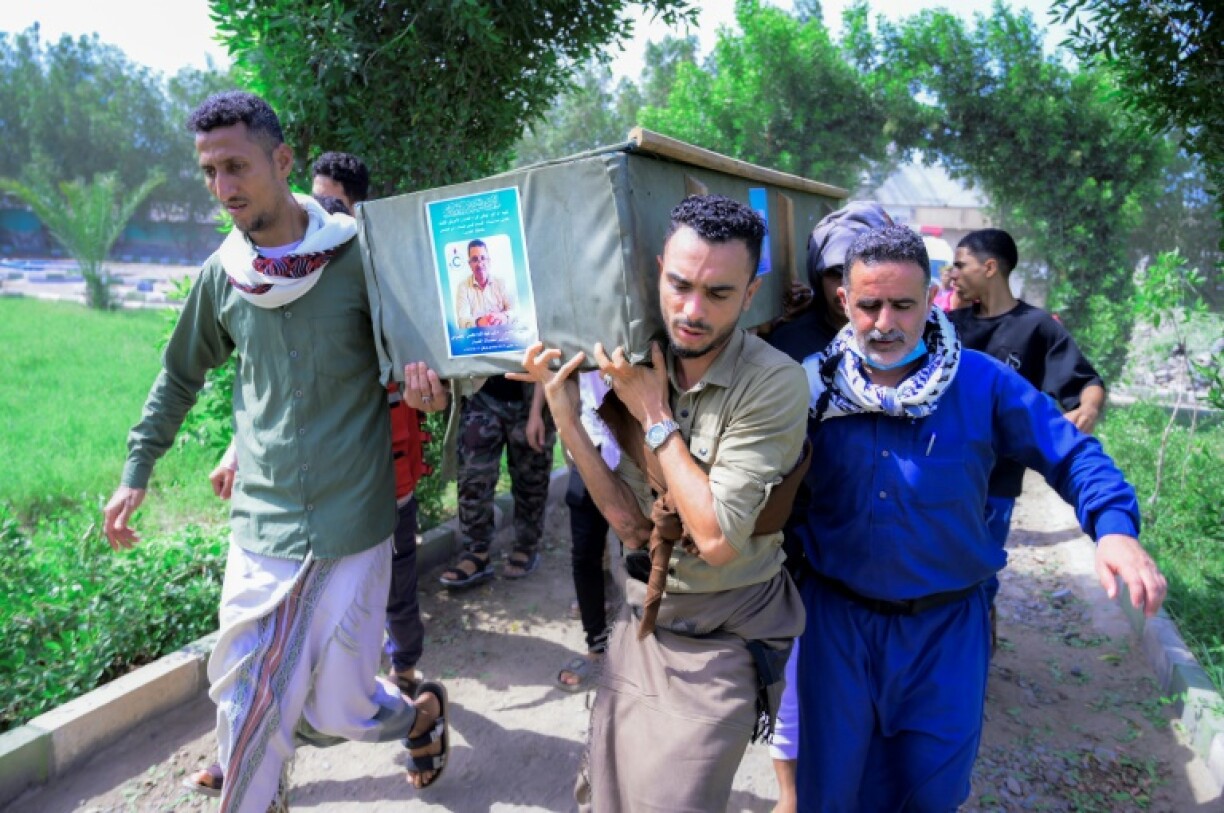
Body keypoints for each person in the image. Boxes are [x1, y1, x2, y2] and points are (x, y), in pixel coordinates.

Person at [101, 91, 452, 810]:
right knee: (242, 690)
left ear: (282, 160)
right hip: (262, 518)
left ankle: (419, 714)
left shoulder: (358, 258)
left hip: (352, 519)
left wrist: (430, 392)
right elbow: (179, 375)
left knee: (338, 709)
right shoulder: (224, 275)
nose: (222, 186)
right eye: (209, 171)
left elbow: (418, 364)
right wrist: (138, 471)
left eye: (236, 166)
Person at [793, 224, 1166, 810]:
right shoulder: (809, 388)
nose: (885, 322)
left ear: (930, 300)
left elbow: (1072, 454)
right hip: (837, 626)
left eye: (903, 305)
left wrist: (1115, 528)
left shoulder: (981, 383)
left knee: (932, 791)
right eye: (868, 305)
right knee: (831, 791)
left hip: (946, 631)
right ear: (844, 300)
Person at [513, 194, 810, 812]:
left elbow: (717, 540)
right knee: (608, 793)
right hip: (645, 622)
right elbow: (631, 526)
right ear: (658, 272)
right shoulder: (639, 357)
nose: (692, 310)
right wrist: (565, 413)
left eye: (719, 293)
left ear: (750, 293)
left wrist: (653, 412)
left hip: (729, 630)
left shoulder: (773, 381)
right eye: (679, 285)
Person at [948, 228, 1107, 620]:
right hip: (944, 474)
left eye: (960, 265)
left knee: (980, 576)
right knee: (939, 570)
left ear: (989, 267)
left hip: (997, 482)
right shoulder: (947, 326)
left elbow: (1086, 382)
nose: (952, 274)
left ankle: (978, 638)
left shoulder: (1037, 327)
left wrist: (1088, 408)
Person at [438, 370, 555, 587]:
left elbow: (546, 357)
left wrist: (536, 412)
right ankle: (476, 553)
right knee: (473, 476)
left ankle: (526, 545)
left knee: (531, 479)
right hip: (482, 395)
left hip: (530, 399)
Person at [766, 201, 893, 364]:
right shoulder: (789, 343)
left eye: (858, 276)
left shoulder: (902, 337)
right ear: (819, 276)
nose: (844, 288)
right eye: (835, 273)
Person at [555, 371, 618, 692]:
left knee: (646, 551)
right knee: (585, 553)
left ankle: (651, 648)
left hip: (642, 441)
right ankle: (597, 646)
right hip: (589, 443)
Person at [455, 239, 513, 328]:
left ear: (488, 261)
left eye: (483, 258)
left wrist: (503, 317)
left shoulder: (502, 283)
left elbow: (516, 311)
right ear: (470, 264)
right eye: (475, 259)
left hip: (503, 333)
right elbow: (462, 321)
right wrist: (478, 322)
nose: (480, 264)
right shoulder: (463, 288)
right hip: (477, 335)